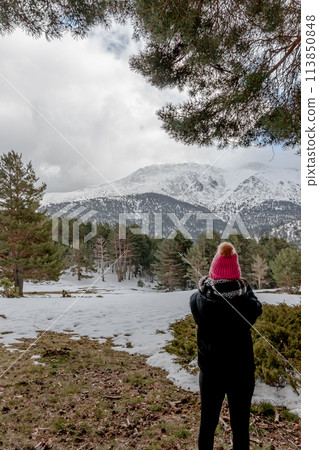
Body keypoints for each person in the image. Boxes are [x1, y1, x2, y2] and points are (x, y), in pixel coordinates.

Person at [190, 242, 262, 449]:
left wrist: (208, 283)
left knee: (207, 423)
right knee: (241, 427)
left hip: (210, 372)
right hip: (241, 372)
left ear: (213, 273)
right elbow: (256, 306)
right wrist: (246, 288)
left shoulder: (198, 300)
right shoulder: (247, 304)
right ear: (236, 275)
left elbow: (198, 295)